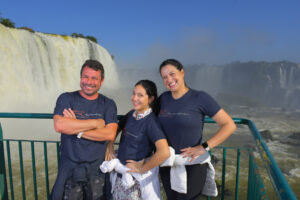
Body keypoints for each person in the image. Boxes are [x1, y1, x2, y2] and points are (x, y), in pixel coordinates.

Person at [158, 59, 236, 200]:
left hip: (193, 164)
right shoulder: (163, 99)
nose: (169, 79)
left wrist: (204, 146)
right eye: (164, 77)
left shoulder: (200, 98)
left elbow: (229, 125)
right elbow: (146, 119)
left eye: (172, 74)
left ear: (182, 72)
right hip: (168, 164)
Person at [50, 59, 118, 200]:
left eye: (94, 78)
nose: (89, 82)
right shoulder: (66, 98)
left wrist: (76, 127)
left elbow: (110, 134)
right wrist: (96, 122)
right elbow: (59, 125)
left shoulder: (108, 104)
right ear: (81, 77)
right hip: (69, 168)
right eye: (85, 77)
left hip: (97, 170)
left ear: (102, 80)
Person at [103, 80, 170, 200]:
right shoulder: (131, 114)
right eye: (134, 94)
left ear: (150, 99)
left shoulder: (151, 123)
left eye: (140, 95)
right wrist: (110, 145)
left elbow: (164, 152)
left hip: (134, 183)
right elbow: (116, 128)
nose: (134, 98)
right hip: (120, 177)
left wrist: (142, 168)